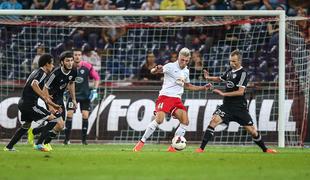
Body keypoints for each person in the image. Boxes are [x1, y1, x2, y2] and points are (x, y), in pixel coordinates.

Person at [195, 50, 277, 153]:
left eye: (234, 61)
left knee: (252, 131)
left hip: (239, 108)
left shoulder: (243, 74)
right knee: (214, 121)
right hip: (227, 106)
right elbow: (220, 79)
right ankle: (201, 149)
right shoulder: (230, 70)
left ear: (240, 61)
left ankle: (265, 149)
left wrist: (223, 94)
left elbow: (240, 92)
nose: (232, 63)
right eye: (230, 61)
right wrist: (208, 77)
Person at [133, 47, 212, 152]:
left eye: (186, 61)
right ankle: (141, 142)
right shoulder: (170, 66)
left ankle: (172, 148)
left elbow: (187, 86)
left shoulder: (186, 71)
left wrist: (203, 88)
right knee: (159, 120)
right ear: (178, 57)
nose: (184, 62)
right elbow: (153, 71)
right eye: (182, 60)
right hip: (165, 97)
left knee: (185, 121)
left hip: (177, 100)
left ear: (189, 60)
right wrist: (156, 69)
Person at [4, 54, 61, 152]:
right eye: (52, 64)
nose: (53, 66)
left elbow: (34, 87)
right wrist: (44, 96)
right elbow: (34, 84)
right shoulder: (42, 73)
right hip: (30, 105)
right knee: (54, 120)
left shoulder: (35, 72)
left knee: (26, 125)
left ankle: (9, 147)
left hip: (23, 103)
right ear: (46, 64)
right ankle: (38, 143)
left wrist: (46, 97)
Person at [28, 51, 77, 151]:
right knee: (56, 122)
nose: (70, 63)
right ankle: (41, 143)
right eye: (67, 60)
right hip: (51, 98)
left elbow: (71, 84)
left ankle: (34, 132)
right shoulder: (55, 73)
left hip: (60, 98)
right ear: (62, 62)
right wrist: (49, 105)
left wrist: (74, 99)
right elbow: (45, 88)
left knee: (61, 126)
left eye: (71, 60)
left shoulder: (73, 71)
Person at [63, 49, 100, 145]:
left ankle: (84, 141)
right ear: (73, 56)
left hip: (85, 95)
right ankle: (66, 140)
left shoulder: (87, 66)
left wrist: (95, 90)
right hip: (72, 95)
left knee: (85, 115)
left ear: (81, 56)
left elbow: (96, 78)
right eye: (75, 55)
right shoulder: (68, 67)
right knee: (69, 114)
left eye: (79, 55)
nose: (77, 56)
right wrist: (63, 90)